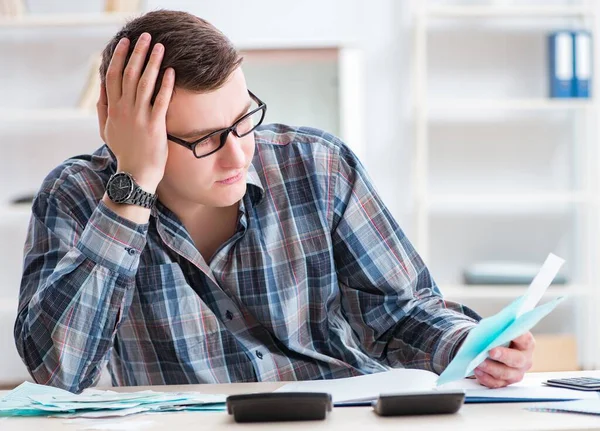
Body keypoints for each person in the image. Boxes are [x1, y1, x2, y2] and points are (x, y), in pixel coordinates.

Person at [14, 9, 535, 394]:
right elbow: (58, 375)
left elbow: (399, 313)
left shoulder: (318, 164)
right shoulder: (78, 197)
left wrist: (471, 345)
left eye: (244, 120)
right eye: (205, 139)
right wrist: (132, 185)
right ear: (130, 134)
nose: (238, 154)